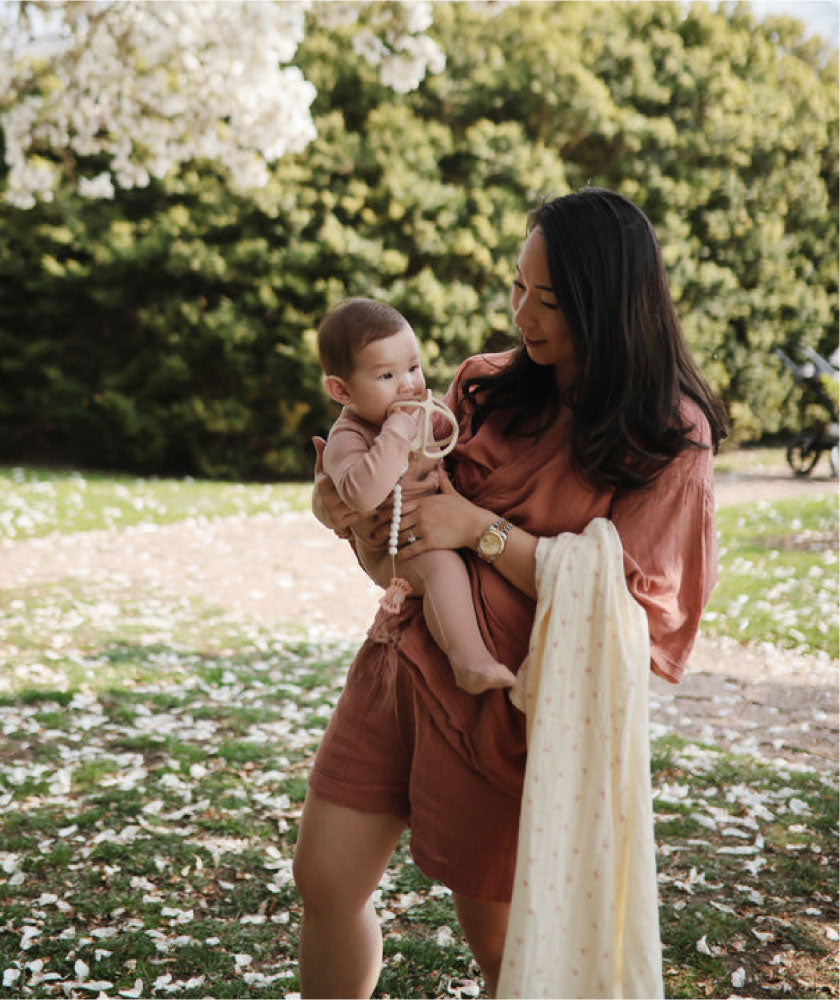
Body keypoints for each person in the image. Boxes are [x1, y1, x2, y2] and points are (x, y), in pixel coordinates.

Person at [292, 186, 727, 997]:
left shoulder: (669, 433)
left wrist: (479, 530)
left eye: (550, 300)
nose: (523, 314)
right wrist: (349, 513)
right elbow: (399, 544)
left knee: (507, 951)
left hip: (513, 711)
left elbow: (637, 612)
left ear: (608, 302)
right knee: (322, 879)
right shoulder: (485, 384)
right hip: (402, 660)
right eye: (518, 287)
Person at [317, 297, 516, 694]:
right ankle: (470, 663)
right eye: (386, 376)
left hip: (427, 523)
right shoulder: (349, 437)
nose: (409, 384)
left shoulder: (415, 412)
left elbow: (452, 437)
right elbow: (361, 494)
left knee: (461, 565)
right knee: (443, 568)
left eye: (413, 367)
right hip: (395, 548)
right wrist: (396, 433)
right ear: (342, 390)